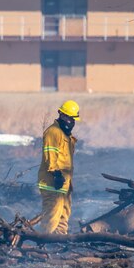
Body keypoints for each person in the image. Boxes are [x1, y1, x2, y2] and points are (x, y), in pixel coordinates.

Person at [37, 100, 79, 234]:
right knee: (51, 216)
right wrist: (56, 174)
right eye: (69, 118)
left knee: (63, 216)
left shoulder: (66, 136)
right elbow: (50, 155)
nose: (71, 121)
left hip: (64, 184)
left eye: (73, 119)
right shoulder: (53, 132)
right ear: (61, 114)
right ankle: (44, 243)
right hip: (52, 182)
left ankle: (59, 242)